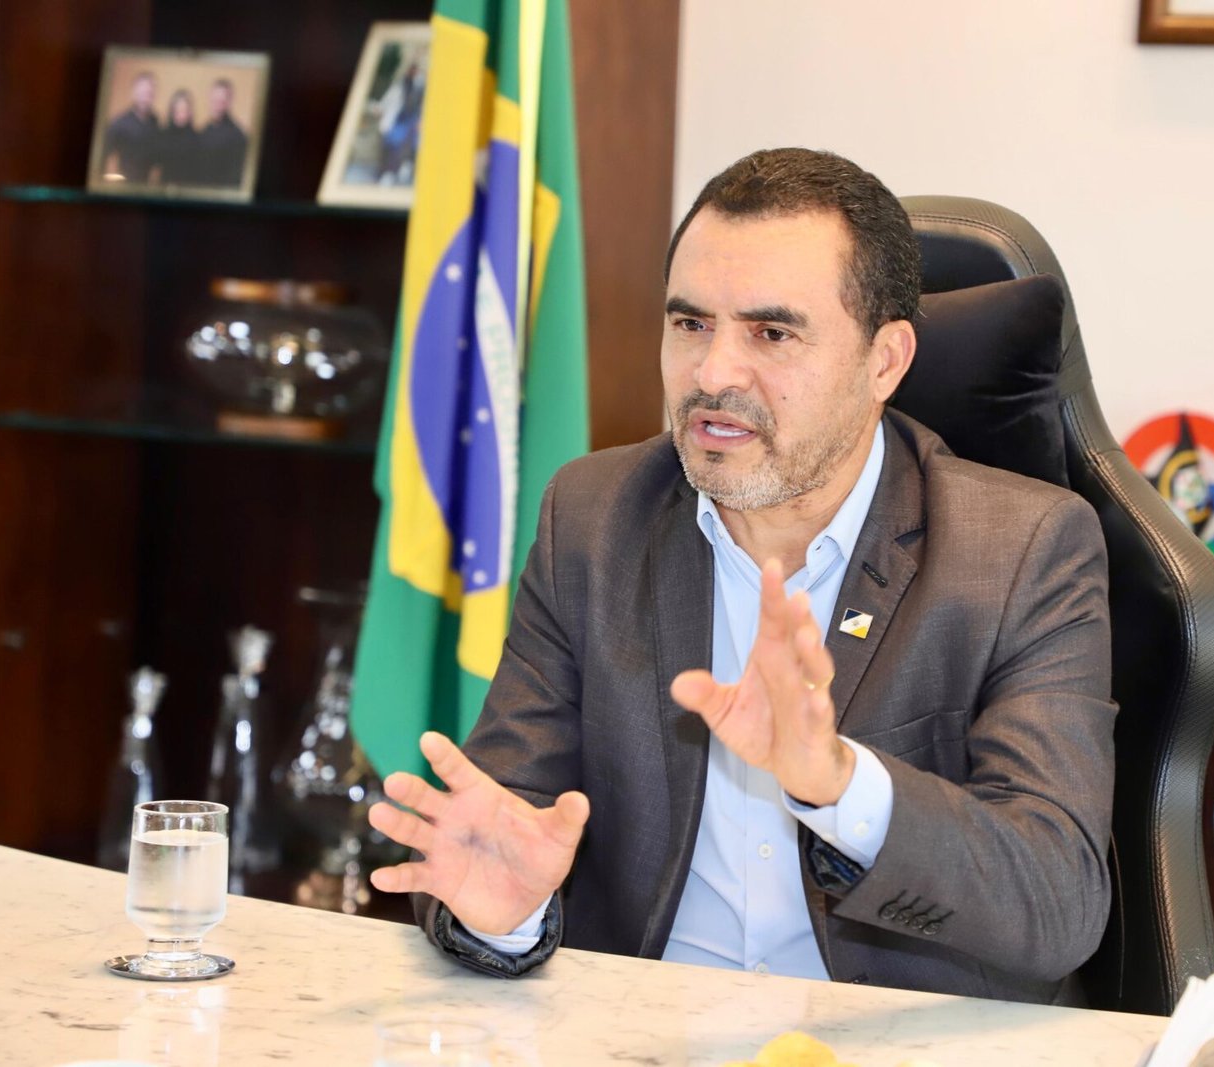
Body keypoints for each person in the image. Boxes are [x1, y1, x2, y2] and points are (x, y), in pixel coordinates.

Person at [369, 148, 1117, 1004]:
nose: (714, 373)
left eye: (771, 333)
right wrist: (507, 913)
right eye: (691, 324)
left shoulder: (1021, 550)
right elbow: (501, 828)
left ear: (885, 361)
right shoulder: (593, 519)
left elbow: (1059, 899)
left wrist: (839, 784)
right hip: (645, 1032)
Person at [100, 71, 159, 184]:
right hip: (125, 185)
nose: (145, 98)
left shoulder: (155, 122)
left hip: (147, 186)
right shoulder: (119, 123)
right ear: (134, 93)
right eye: (142, 93)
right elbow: (102, 156)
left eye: (149, 94)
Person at [196, 78, 248, 187]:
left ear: (229, 103)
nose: (216, 106)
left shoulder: (238, 136)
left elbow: (235, 179)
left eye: (221, 102)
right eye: (214, 100)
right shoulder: (204, 130)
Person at [156, 89, 204, 186]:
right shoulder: (162, 135)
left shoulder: (197, 138)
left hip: (189, 188)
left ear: (190, 112)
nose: (180, 114)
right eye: (177, 110)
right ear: (172, 111)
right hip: (165, 187)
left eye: (184, 110)